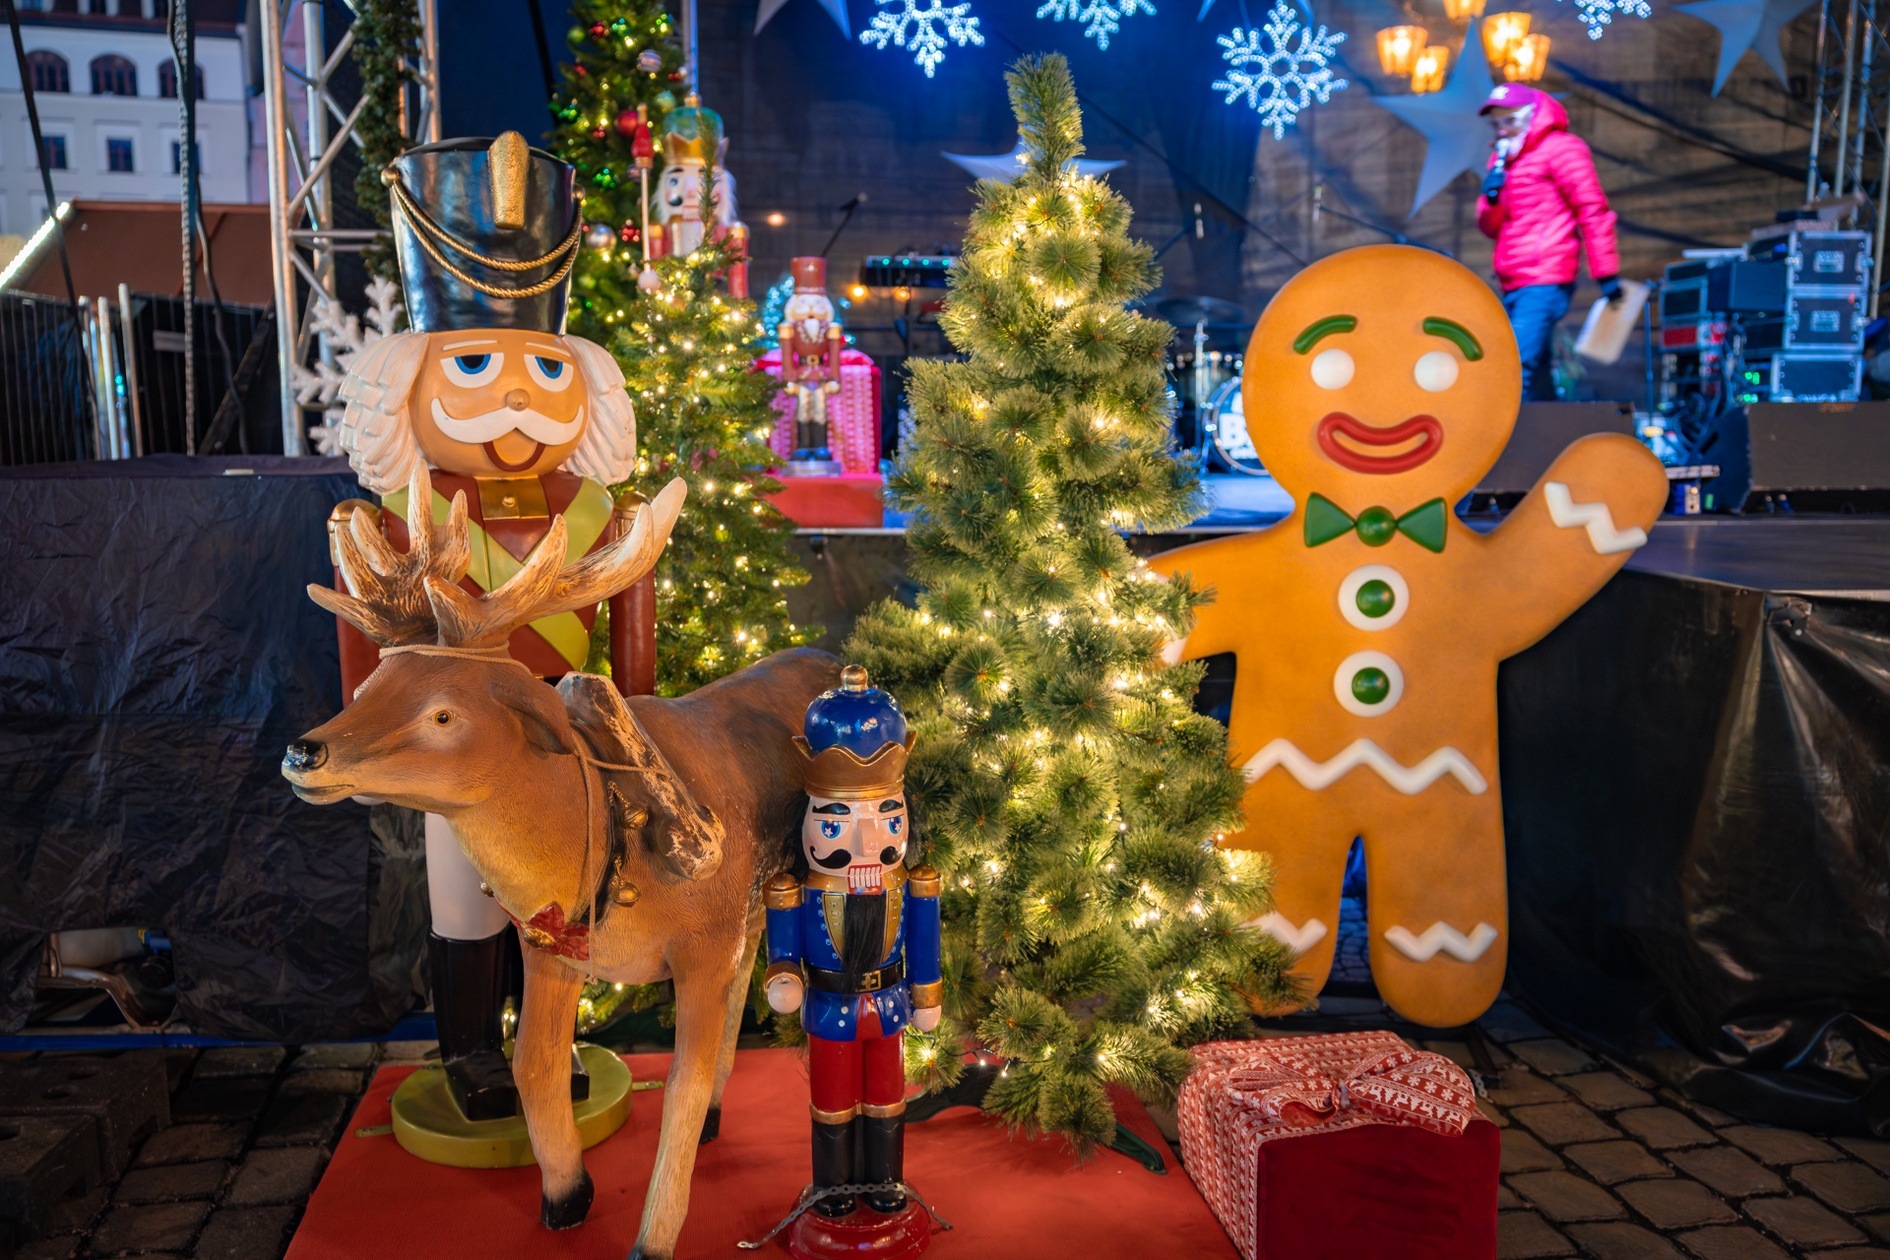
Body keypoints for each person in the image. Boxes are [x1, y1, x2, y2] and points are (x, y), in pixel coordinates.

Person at [1476, 82, 1621, 401]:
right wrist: (1491, 198)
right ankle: (1548, 427)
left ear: (1532, 116)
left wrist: (1606, 272)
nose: (1502, 130)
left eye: (1510, 120)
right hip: (1513, 279)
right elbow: (1490, 227)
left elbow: (1592, 208)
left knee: (1514, 365)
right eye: (1496, 124)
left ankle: (1509, 433)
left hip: (1546, 276)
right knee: (1536, 371)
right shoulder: (1502, 161)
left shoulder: (1561, 149)